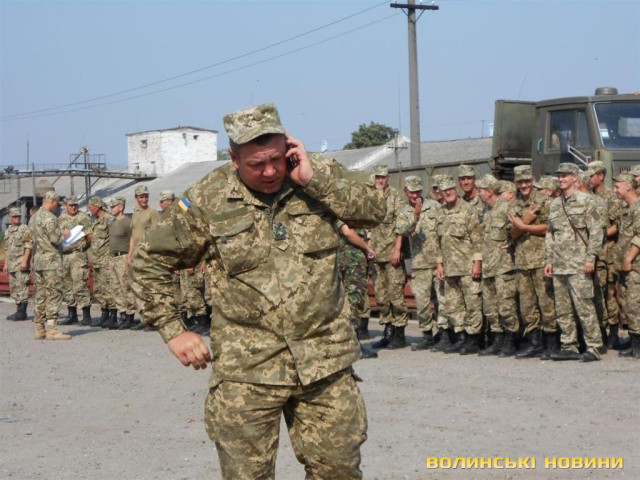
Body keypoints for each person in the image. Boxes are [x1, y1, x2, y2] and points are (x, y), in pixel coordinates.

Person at [130, 103, 385, 480]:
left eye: (276, 159)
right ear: (234, 158)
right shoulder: (209, 197)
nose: (269, 172)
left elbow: (377, 209)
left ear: (289, 146)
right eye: (256, 164)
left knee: (339, 471)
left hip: (325, 363)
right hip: (247, 372)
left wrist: (315, 180)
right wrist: (173, 329)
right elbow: (148, 260)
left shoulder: (315, 175)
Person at [544, 163, 603, 362]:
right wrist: (548, 260)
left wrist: (591, 257)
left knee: (584, 306)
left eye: (565, 176)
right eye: (559, 176)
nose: (561, 179)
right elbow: (550, 234)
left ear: (575, 177)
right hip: (559, 264)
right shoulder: (555, 204)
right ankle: (569, 345)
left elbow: (596, 232)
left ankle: (594, 346)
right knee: (563, 309)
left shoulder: (587, 201)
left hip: (579, 264)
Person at [508, 165, 559, 359]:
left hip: (541, 260)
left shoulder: (545, 201)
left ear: (533, 180)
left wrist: (524, 225)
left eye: (526, 181)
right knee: (527, 306)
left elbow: (549, 228)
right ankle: (535, 343)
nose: (523, 185)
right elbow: (512, 234)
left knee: (547, 303)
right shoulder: (513, 205)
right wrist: (525, 222)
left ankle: (552, 343)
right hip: (522, 262)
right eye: (520, 182)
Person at [435, 174, 483, 354]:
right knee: (454, 305)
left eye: (450, 189)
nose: (448, 193)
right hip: (449, 268)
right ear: (440, 193)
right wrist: (439, 264)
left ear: (455, 189)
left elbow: (477, 239)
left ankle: (473, 339)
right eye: (444, 191)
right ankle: (460, 336)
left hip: (467, 267)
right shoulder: (440, 213)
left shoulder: (468, 210)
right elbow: (437, 241)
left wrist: (477, 263)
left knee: (472, 304)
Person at [396, 175, 443, 350]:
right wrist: (415, 216)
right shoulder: (403, 212)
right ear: (406, 192)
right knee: (422, 302)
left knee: (441, 300)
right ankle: (427, 335)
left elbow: (443, 230)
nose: (415, 195)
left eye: (417, 192)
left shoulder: (434, 206)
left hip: (437, 261)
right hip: (420, 263)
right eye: (411, 192)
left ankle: (444, 334)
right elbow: (402, 231)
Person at [476, 174, 519, 356]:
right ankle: (497, 339)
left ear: (489, 192)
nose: (478, 194)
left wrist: (511, 242)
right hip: (488, 267)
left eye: (480, 190)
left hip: (503, 267)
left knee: (506, 306)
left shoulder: (506, 208)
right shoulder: (486, 211)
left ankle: (511, 340)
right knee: (490, 308)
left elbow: (518, 229)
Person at [369, 164, 410, 350]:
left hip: (392, 254)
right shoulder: (371, 196)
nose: (380, 180)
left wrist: (397, 249)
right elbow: (367, 223)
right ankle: (388, 331)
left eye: (383, 177)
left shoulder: (396, 197)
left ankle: (399, 333)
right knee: (381, 295)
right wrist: (368, 247)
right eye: (378, 177)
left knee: (395, 294)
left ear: (388, 178)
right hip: (376, 254)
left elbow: (401, 226)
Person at [586, 161, 622, 348]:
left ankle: (613, 332)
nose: (588, 179)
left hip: (608, 253)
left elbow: (617, 225)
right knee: (595, 292)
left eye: (591, 175)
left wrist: (598, 236)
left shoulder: (611, 197)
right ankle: (600, 331)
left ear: (600, 176)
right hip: (593, 253)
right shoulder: (587, 198)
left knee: (609, 293)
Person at [32, 191, 71, 340]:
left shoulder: (34, 218)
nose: (57, 207)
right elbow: (55, 239)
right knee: (54, 294)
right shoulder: (50, 218)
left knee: (40, 295)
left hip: (39, 261)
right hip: (51, 262)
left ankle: (39, 328)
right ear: (52, 201)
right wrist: (65, 234)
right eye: (57, 204)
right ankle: (52, 329)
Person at [337, 221, 378, 359]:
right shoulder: (343, 213)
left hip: (347, 261)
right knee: (353, 302)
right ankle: (353, 346)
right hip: (351, 263)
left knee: (347, 303)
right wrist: (367, 248)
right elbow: (348, 232)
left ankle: (345, 344)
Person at [612, 172, 640, 359]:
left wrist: (629, 259)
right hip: (624, 266)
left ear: (628, 186)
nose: (614, 190)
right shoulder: (626, 209)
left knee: (635, 304)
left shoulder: (638, 209)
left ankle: (638, 344)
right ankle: (633, 340)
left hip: (635, 265)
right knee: (628, 304)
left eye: (617, 186)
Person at [58, 195, 93, 326]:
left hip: (78, 255)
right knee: (67, 285)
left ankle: (86, 315)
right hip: (65, 256)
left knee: (79, 285)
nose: (73, 207)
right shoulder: (61, 218)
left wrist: (83, 247)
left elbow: (90, 236)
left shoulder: (83, 217)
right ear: (65, 206)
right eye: (71, 205)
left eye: (75, 205)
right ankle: (72, 314)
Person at [107, 197, 136, 329]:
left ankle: (130, 316)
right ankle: (122, 314)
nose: (111, 209)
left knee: (125, 287)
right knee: (116, 288)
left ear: (121, 207)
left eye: (114, 206)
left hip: (123, 257)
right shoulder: (113, 222)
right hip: (113, 258)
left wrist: (129, 257)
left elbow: (132, 240)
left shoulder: (126, 222)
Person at [87, 196, 115, 327]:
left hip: (107, 259)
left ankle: (113, 315)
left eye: (91, 206)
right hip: (97, 260)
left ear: (98, 205)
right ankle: (104, 313)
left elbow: (114, 239)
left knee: (109, 289)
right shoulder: (95, 221)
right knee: (99, 290)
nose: (90, 209)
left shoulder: (109, 219)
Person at [3, 206, 32, 321]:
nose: (17, 218)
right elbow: (7, 248)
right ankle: (18, 310)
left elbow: (29, 246)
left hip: (21, 264)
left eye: (19, 216)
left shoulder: (25, 229)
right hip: (12, 265)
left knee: (22, 287)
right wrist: (6, 264)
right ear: (10, 218)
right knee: (14, 288)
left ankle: (22, 312)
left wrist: (25, 261)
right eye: (15, 216)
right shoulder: (8, 231)